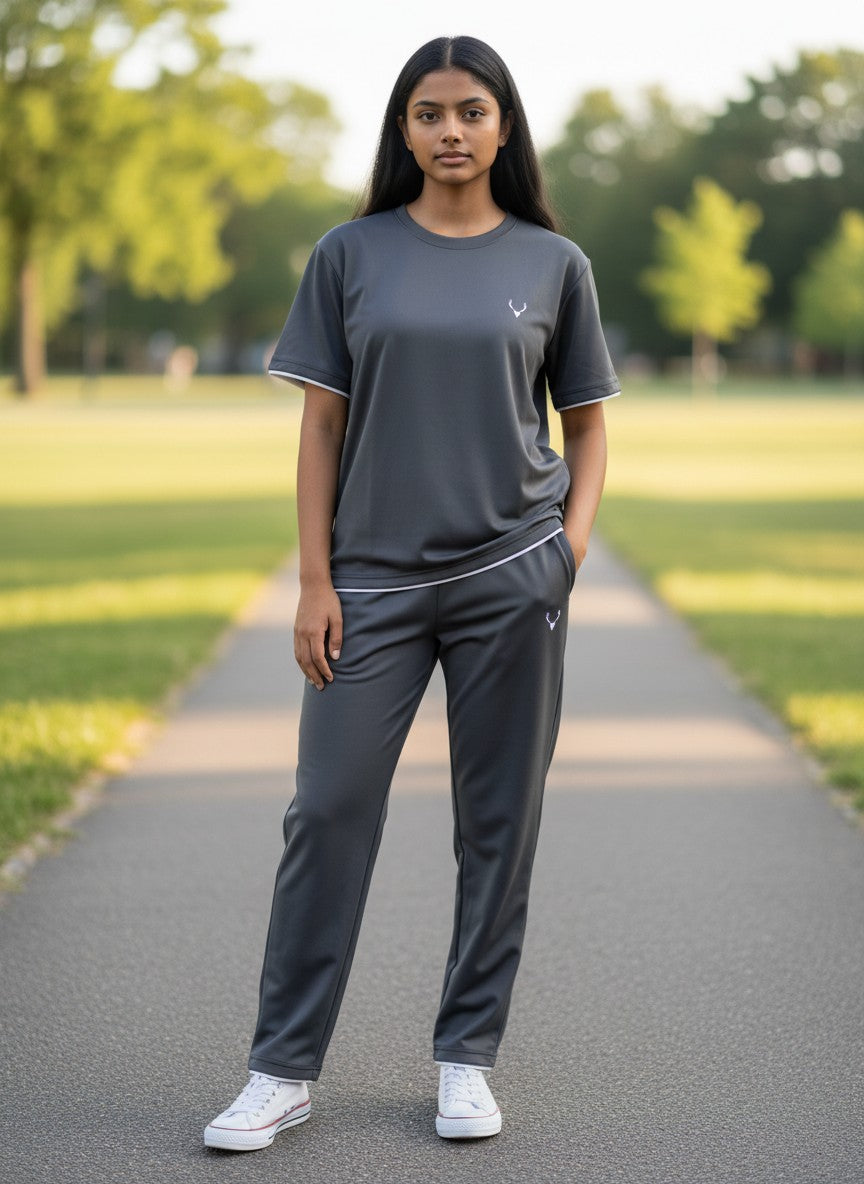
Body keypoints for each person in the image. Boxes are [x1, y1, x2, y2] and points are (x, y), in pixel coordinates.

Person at [204, 33, 620, 1151]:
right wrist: (313, 578)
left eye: (471, 112)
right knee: (327, 813)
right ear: (403, 128)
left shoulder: (552, 262)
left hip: (510, 580)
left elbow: (586, 426)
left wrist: (565, 553)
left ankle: (465, 1059)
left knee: (498, 827)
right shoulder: (351, 254)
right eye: (430, 112)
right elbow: (322, 425)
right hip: (371, 586)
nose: (451, 131)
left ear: (502, 127)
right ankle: (280, 1069)